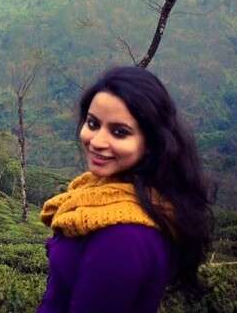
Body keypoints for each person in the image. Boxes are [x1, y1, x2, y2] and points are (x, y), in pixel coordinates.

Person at [37, 66, 214, 313]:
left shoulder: (124, 237)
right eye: (93, 123)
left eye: (120, 132)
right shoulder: (102, 193)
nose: (97, 141)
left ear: (151, 142)